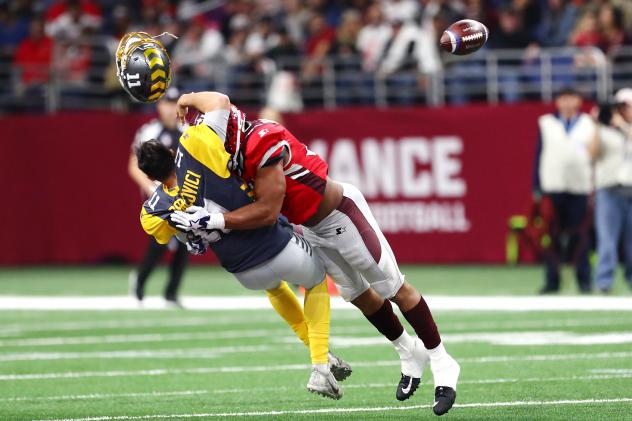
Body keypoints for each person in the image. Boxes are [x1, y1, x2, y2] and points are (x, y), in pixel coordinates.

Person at [170, 92, 460, 416]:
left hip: (340, 214)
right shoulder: (230, 133)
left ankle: (443, 362)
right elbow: (219, 100)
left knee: (393, 289)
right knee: (359, 296)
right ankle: (408, 351)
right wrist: (186, 98)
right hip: (310, 228)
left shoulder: (260, 143)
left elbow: (267, 211)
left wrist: (216, 220)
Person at [136, 136, 350, 399]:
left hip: (242, 270)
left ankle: (322, 354)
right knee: (316, 281)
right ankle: (319, 364)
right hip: (273, 244)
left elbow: (169, 233)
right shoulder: (198, 156)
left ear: (149, 177)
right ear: (172, 153)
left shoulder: (153, 211)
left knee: (275, 288)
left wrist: (188, 229)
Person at [127, 87, 188, 307]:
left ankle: (171, 293)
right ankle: (140, 283)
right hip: (160, 196)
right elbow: (134, 166)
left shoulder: (187, 130)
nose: (171, 108)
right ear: (159, 106)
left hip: (183, 195)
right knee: (158, 244)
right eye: (167, 103)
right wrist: (153, 191)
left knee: (186, 242)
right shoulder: (149, 131)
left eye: (174, 103)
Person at [532, 87, 595, 294]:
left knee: (581, 238)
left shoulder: (588, 123)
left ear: (578, 101)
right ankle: (552, 282)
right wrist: (536, 187)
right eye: (563, 99)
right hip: (553, 186)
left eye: (571, 98)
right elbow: (539, 155)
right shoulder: (546, 123)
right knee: (551, 238)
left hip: (580, 187)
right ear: (557, 102)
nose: (567, 103)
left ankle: (584, 281)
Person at [588, 88, 632, 293]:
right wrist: (597, 125)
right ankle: (604, 282)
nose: (624, 110)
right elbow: (592, 153)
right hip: (609, 190)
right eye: (621, 107)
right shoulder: (605, 130)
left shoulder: (626, 128)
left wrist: (622, 125)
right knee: (607, 240)